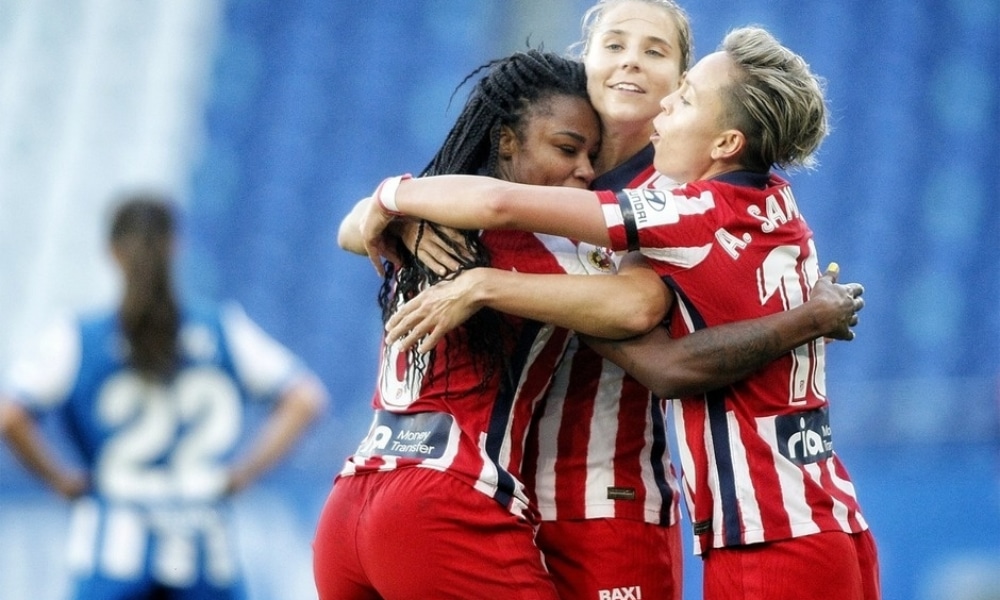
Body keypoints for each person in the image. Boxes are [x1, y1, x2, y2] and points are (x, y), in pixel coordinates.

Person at [359, 25, 879, 600]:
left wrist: (391, 201)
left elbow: (654, 344)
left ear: (726, 141)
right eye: (613, 43)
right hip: (823, 518)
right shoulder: (775, 200)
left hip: (748, 533)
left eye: (678, 86)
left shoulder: (680, 206)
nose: (651, 84)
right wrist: (379, 219)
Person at [0, 194, 328, 600]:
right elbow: (305, 398)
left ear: (112, 252)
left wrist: (63, 482)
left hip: (109, 558)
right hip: (206, 551)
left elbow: (11, 415)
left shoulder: (78, 337)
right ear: (176, 246)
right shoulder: (221, 328)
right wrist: (241, 474)